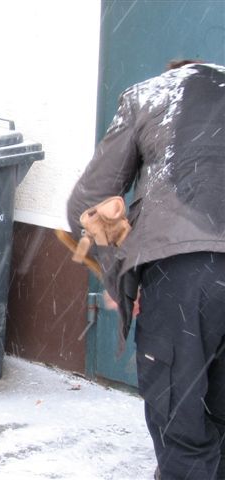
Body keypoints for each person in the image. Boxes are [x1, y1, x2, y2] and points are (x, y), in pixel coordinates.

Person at [67, 60, 225, 479]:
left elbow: (88, 204)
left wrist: (123, 278)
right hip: (191, 269)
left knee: (183, 430)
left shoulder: (150, 95)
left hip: (186, 273)